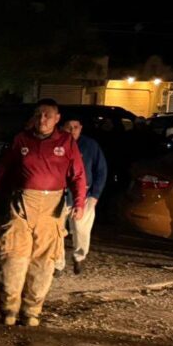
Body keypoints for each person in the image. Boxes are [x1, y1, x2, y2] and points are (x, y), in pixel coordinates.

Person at [0, 98, 86, 327]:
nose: (42, 119)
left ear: (57, 119)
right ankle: (9, 309)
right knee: (12, 256)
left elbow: (77, 175)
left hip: (52, 206)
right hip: (22, 204)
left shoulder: (66, 142)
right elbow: (2, 171)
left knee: (44, 261)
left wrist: (79, 203)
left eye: (47, 115)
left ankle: (31, 311)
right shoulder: (21, 140)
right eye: (38, 114)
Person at [54, 115, 108, 275]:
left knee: (81, 230)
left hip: (84, 194)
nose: (72, 131)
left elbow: (101, 170)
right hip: (59, 194)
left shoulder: (90, 145)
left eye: (76, 127)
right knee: (56, 230)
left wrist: (95, 195)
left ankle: (79, 257)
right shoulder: (55, 144)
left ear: (81, 128)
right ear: (61, 128)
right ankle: (57, 263)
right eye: (68, 127)